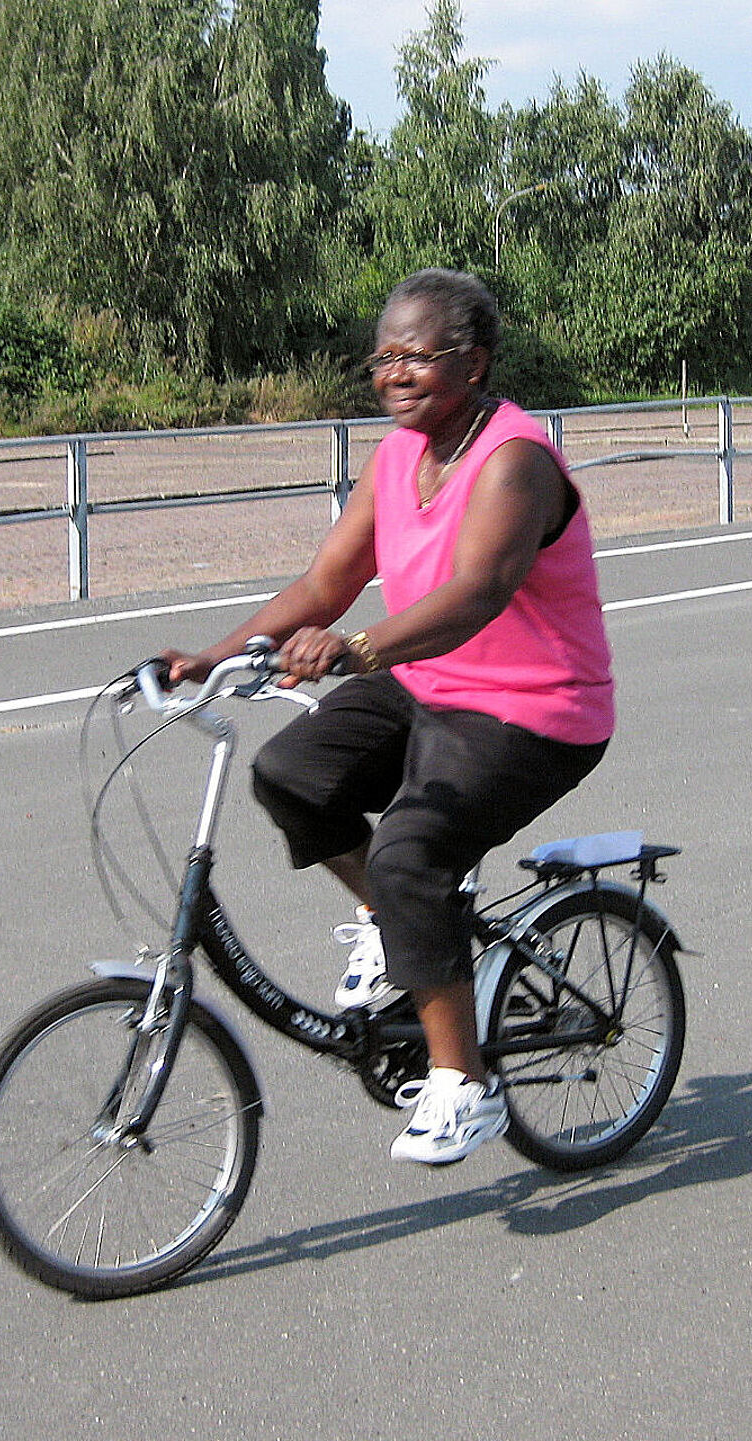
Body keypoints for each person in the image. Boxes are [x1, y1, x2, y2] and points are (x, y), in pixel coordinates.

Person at [162, 268, 615, 1166]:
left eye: (420, 355)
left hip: (532, 705)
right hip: (429, 681)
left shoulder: (514, 459)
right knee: (291, 775)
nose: (396, 373)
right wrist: (211, 657)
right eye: (383, 357)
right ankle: (399, 922)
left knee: (410, 853)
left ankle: (465, 1086)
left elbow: (479, 592)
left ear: (475, 363)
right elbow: (326, 584)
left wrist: (357, 648)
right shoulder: (397, 456)